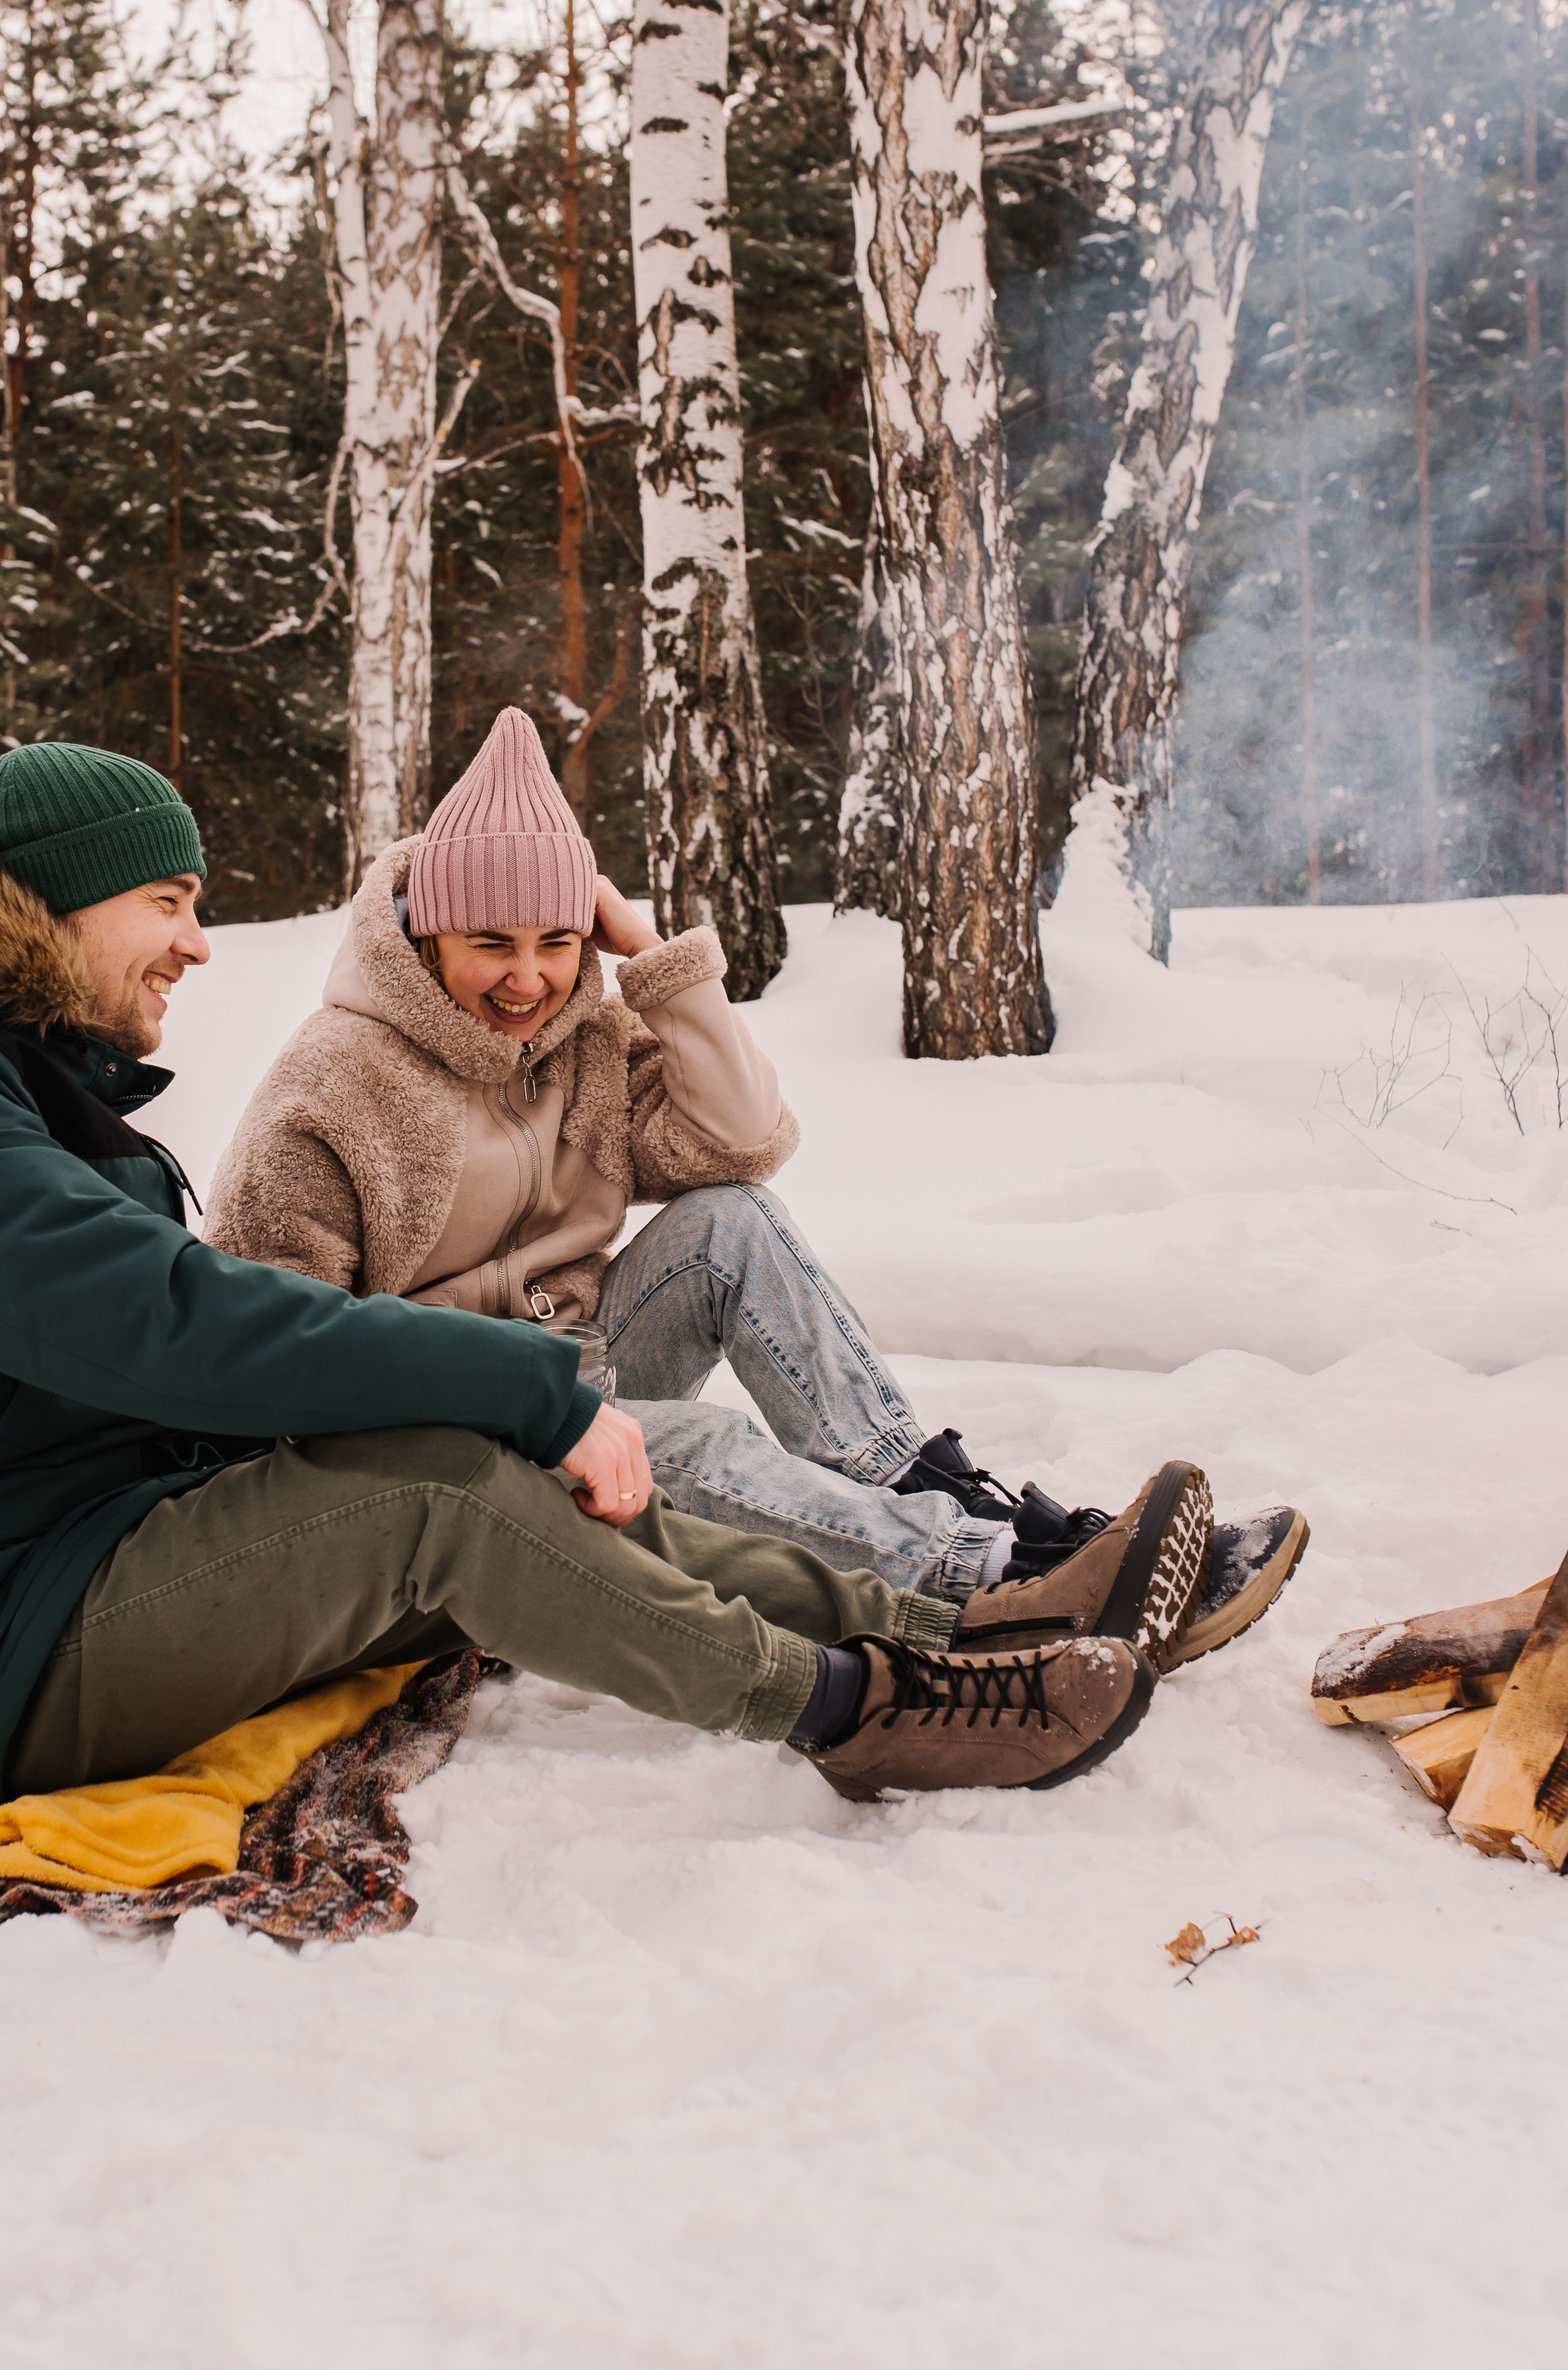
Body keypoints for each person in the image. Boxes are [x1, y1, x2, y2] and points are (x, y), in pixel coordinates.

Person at [0, 743, 1184, 1825]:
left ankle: (953, 1632)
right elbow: (170, 1321)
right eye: (167, 899)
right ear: (51, 902)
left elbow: (737, 1148)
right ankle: (861, 1715)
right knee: (446, 1493)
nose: (196, 940)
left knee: (477, 1467)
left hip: (60, 1556)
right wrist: (518, 1389)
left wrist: (491, 1410)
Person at [207, 708, 1308, 1669]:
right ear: (421, 929)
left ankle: (941, 1495)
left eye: (556, 941)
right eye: (490, 941)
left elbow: (739, 1144)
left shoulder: (581, 1031)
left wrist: (659, 968)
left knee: (730, 1224)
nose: (528, 978)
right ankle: (1002, 1583)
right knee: (702, 1447)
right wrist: (516, 1409)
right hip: (450, 1435)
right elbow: (274, 1360)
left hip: (584, 1362)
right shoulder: (331, 1088)